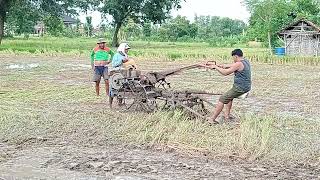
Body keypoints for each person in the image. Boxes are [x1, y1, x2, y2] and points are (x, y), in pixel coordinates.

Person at [203, 49, 251, 124]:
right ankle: (227, 117)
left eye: (233, 58)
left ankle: (212, 119)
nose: (233, 60)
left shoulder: (238, 64)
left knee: (222, 99)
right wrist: (220, 65)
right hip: (246, 86)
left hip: (240, 88)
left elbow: (225, 73)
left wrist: (216, 67)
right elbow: (230, 66)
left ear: (235, 56)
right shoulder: (245, 61)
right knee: (229, 97)